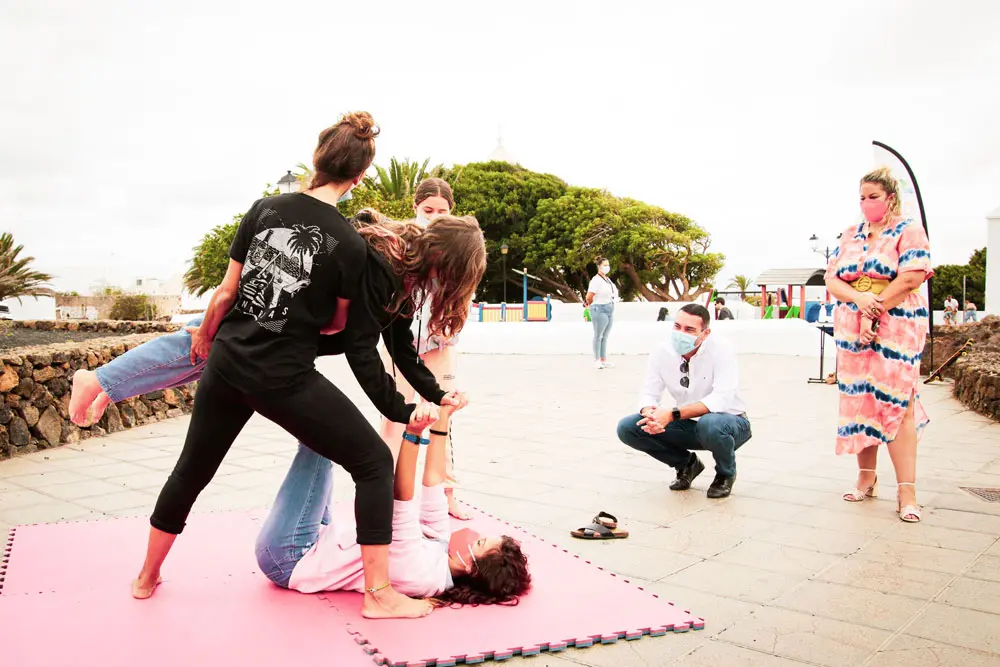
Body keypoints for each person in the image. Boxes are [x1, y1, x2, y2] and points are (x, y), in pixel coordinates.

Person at [128, 113, 487, 620]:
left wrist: (432, 393)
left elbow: (397, 343)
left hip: (229, 362)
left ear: (319, 158)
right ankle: (378, 594)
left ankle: (146, 576)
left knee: (192, 471)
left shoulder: (275, 211)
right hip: (282, 378)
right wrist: (403, 411)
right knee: (372, 464)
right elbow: (362, 351)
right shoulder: (356, 250)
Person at [255, 402, 532, 607]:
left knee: (318, 439)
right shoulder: (441, 551)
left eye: (480, 543)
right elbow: (433, 480)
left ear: (471, 568)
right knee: (322, 436)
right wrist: (443, 418)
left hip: (291, 556)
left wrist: (412, 435)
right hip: (321, 538)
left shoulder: (423, 576)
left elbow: (402, 500)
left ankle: (258, 384)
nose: (474, 536)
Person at [825, 166, 932, 523]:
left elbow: (912, 276)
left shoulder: (908, 229)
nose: (867, 203)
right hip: (853, 326)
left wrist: (875, 309)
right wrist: (858, 301)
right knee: (861, 401)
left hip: (896, 324)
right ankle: (866, 478)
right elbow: (832, 278)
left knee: (897, 402)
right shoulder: (851, 233)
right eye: (862, 197)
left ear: (889, 197)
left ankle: (907, 490)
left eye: (873, 196)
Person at [377, 179, 469, 520]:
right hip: (401, 345)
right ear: (415, 207)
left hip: (441, 344)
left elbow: (463, 295)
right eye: (427, 210)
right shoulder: (403, 243)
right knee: (395, 416)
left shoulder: (458, 245)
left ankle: (447, 493)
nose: (434, 217)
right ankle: (384, 491)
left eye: (442, 211)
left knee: (443, 416)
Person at [616, 304, 751, 499]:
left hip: (729, 424)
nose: (681, 334)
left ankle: (725, 473)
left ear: (705, 334)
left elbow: (721, 399)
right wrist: (650, 413)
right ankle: (686, 464)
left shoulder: (721, 350)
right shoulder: (661, 351)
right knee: (629, 428)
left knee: (710, 423)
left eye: (689, 329)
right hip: (688, 425)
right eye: (677, 326)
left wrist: (671, 414)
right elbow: (649, 392)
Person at [585, 257, 618, 369]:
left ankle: (603, 359)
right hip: (599, 309)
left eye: (608, 265)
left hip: (609, 308)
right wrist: (589, 305)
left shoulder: (607, 279)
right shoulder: (596, 280)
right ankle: (596, 360)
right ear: (599, 266)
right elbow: (589, 296)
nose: (607, 267)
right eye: (604, 265)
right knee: (598, 336)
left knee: (605, 336)